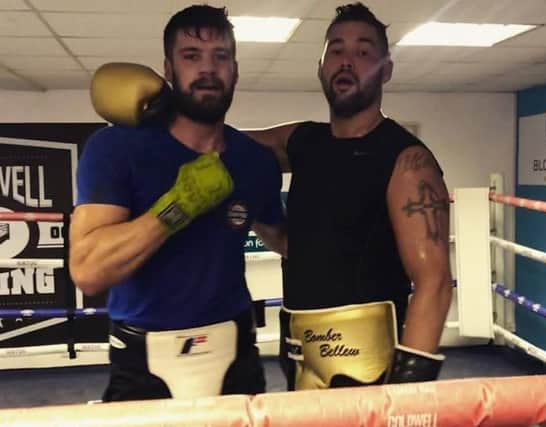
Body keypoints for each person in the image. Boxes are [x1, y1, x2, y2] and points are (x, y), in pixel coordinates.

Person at [89, 2, 452, 391]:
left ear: (387, 68)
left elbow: (435, 282)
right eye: (336, 49)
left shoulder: (407, 160)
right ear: (321, 66)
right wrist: (162, 111)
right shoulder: (303, 140)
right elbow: (219, 145)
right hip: (302, 351)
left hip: (371, 358)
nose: (347, 61)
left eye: (364, 52)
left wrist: (409, 392)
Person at [69, 4, 286, 402]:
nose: (208, 69)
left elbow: (285, 240)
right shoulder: (117, 148)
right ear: (168, 70)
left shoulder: (252, 162)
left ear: (235, 70)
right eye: (192, 56)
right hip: (143, 360)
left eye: (220, 57)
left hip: (235, 351)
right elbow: (88, 270)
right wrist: (175, 208)